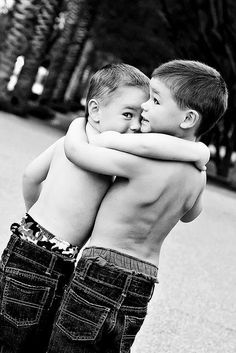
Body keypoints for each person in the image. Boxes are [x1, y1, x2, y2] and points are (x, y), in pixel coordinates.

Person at [0, 63, 207, 353]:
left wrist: (34, 217)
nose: (137, 123)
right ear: (96, 110)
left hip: (48, 246)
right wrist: (199, 151)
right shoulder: (191, 172)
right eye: (129, 114)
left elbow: (32, 176)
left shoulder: (110, 151)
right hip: (126, 271)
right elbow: (191, 214)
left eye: (150, 106)